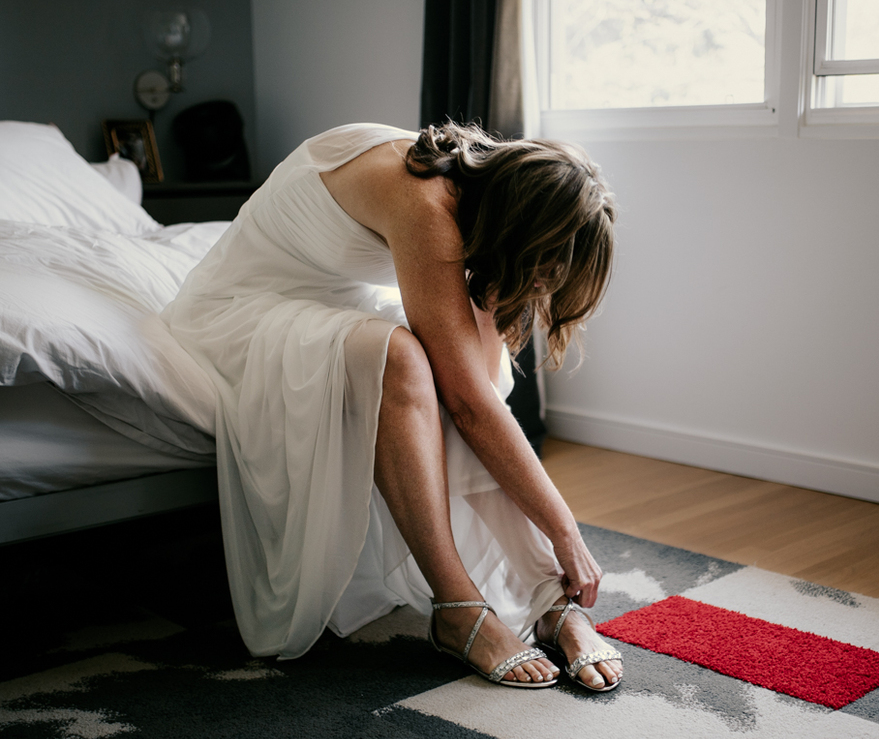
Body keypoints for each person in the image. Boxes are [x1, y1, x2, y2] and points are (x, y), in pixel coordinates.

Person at [162, 122, 623, 691]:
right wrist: (566, 530)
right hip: (241, 310)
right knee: (404, 359)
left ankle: (548, 600)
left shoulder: (469, 185)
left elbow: (477, 394)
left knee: (459, 367)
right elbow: (471, 405)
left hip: (330, 297)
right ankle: (456, 605)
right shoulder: (423, 200)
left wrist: (557, 544)